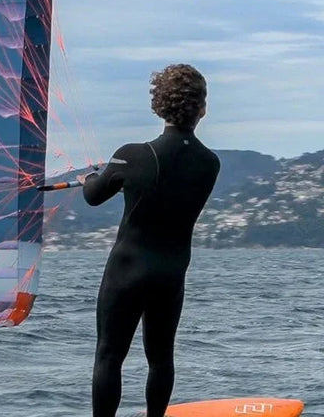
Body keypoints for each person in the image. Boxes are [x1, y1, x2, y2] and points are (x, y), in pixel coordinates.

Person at [80, 64, 220, 417]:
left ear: (159, 105)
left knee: (109, 355)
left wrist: (91, 178)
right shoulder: (210, 163)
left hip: (127, 271)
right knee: (161, 359)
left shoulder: (132, 155)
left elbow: (93, 196)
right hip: (171, 273)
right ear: (202, 109)